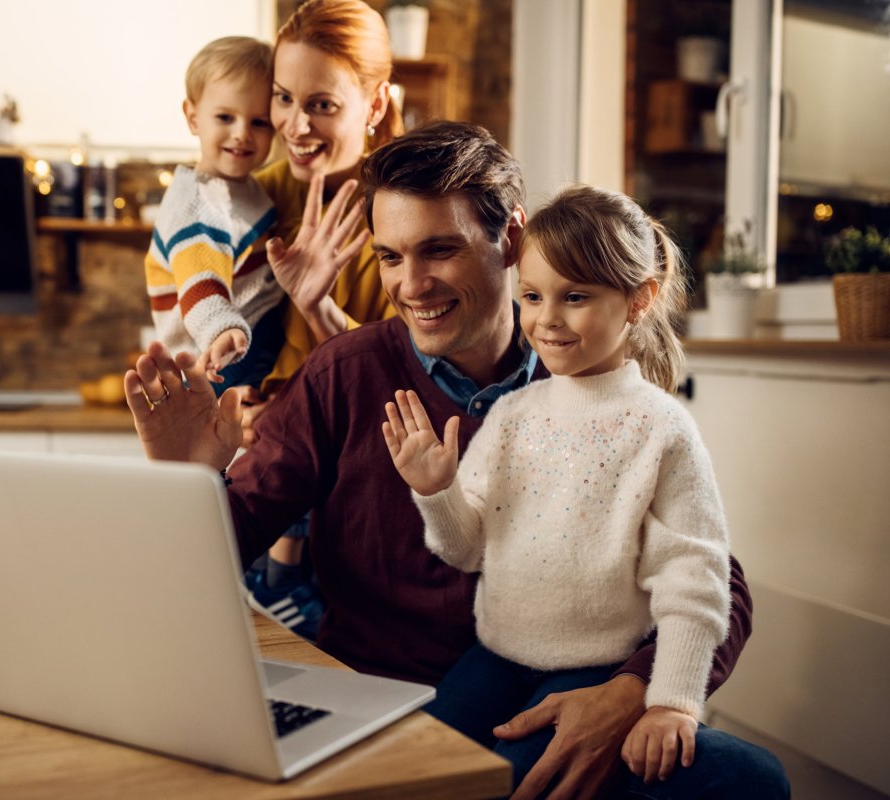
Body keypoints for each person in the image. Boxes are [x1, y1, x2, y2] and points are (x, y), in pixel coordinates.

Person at [124, 120, 788, 798]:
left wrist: (629, 694)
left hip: (562, 691)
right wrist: (190, 479)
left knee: (751, 783)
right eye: (389, 257)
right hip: (381, 706)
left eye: (438, 250)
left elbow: (717, 584)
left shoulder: (594, 386)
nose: (411, 285)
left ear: (512, 239)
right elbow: (209, 556)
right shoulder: (342, 376)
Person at [383, 182, 741, 788]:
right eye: (531, 296)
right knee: (420, 774)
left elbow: (696, 577)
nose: (546, 319)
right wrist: (436, 491)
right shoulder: (514, 415)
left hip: (595, 671)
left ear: (639, 300)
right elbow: (465, 549)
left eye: (574, 296)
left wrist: (672, 701)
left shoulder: (660, 428)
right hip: (494, 658)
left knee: (526, 783)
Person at [239, 0, 406, 639]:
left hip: (359, 516)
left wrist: (318, 307)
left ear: (376, 103)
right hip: (258, 488)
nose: (295, 124)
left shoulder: (410, 211)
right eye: (284, 98)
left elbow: (421, 377)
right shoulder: (255, 193)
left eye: (323, 105)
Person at [143, 36, 283, 392]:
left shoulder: (244, 186)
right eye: (225, 117)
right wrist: (223, 330)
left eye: (259, 123)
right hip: (217, 355)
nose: (241, 134)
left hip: (247, 335)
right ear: (193, 117)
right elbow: (200, 282)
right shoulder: (196, 204)